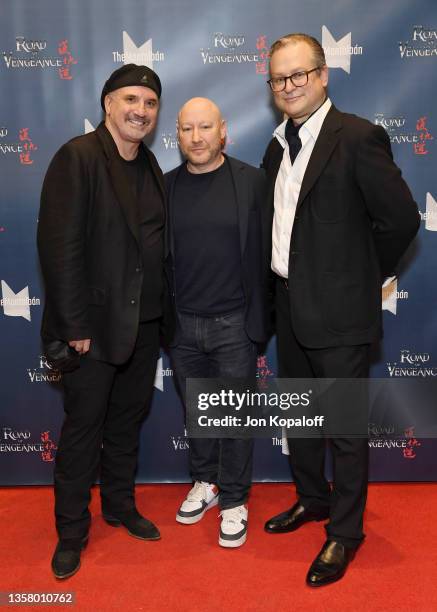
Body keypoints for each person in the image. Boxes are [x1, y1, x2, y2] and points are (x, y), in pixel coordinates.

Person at [262, 33, 420, 586]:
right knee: (301, 419)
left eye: (298, 75)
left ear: (323, 75)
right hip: (287, 305)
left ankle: (346, 533)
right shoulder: (277, 144)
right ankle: (313, 500)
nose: (288, 87)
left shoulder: (357, 137)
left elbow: (401, 220)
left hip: (340, 313)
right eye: (278, 79)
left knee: (345, 429)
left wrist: (355, 279)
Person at [38, 63, 166, 579]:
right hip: (91, 328)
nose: (141, 110)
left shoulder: (151, 165)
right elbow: (60, 247)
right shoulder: (79, 156)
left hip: (146, 324)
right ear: (107, 103)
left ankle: (118, 505)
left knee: (126, 424)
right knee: (82, 432)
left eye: (151, 103)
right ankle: (71, 532)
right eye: (131, 99)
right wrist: (73, 325)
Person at [165, 97, 268, 548]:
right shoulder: (163, 186)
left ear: (222, 130)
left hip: (233, 323)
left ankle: (234, 499)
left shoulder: (252, 182)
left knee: (236, 416)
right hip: (182, 323)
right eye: (188, 129)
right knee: (199, 414)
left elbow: (270, 251)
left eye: (205, 127)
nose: (197, 137)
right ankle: (205, 483)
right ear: (177, 133)